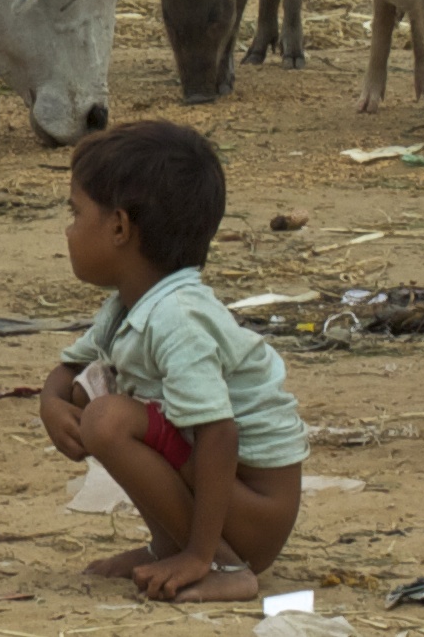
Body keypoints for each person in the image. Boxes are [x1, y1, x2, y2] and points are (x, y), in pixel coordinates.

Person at [39, 122, 307, 604]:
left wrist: (203, 555)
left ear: (119, 227)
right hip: (227, 496)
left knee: (107, 418)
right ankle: (167, 546)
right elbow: (70, 372)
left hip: (256, 510)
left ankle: (220, 563)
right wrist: (51, 402)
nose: (68, 229)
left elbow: (219, 434)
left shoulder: (177, 317)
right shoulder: (129, 304)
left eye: (76, 213)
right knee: (91, 394)